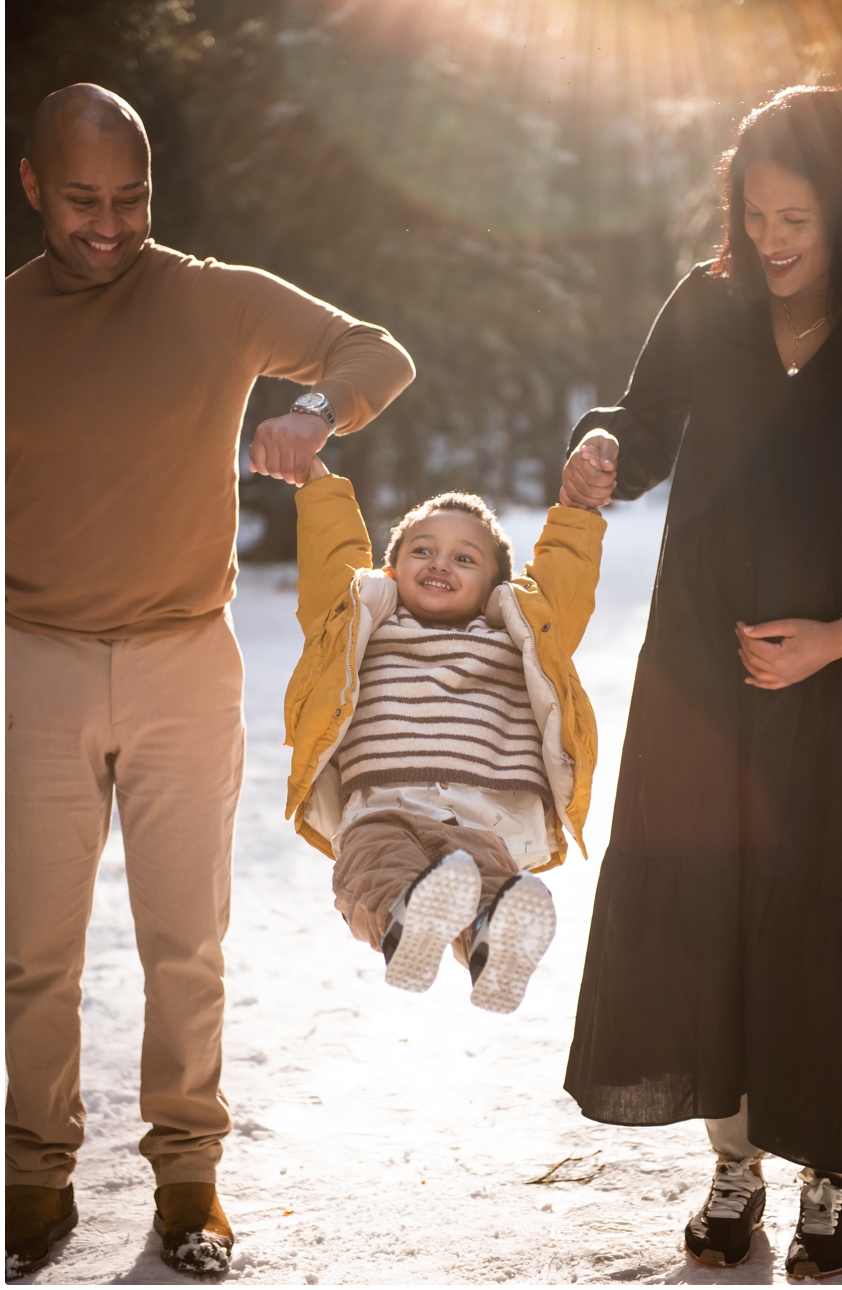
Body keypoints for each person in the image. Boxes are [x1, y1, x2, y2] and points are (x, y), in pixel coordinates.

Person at [4, 84, 414, 1278]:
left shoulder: (210, 297)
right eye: (82, 200)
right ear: (31, 186)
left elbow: (376, 352)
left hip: (188, 658)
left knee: (187, 939)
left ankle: (189, 1176)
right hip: (36, 664)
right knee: (37, 947)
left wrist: (316, 407)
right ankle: (34, 1175)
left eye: (131, 198)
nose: (109, 224)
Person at [558, 85, 842, 1279]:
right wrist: (606, 446)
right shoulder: (708, 301)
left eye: (797, 215)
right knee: (705, 902)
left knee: (821, 913)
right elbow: (642, 424)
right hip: (701, 661)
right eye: (755, 213)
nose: (772, 239)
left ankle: (830, 1180)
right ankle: (736, 1163)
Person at [265, 448, 609, 1012]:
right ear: (391, 568)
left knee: (484, 878)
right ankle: (410, 922)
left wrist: (577, 509)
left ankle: (498, 943)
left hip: (483, 810)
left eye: (464, 558)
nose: (439, 563)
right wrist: (318, 483)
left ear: (500, 583)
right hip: (381, 805)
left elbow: (564, 582)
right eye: (421, 550)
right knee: (377, 864)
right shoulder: (357, 620)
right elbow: (333, 561)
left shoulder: (522, 630)